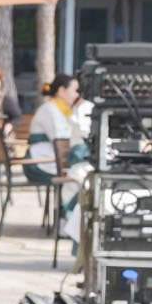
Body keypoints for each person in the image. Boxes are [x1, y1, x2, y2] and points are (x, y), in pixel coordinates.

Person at [25, 75, 91, 234]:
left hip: (54, 159)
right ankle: (66, 221)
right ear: (61, 90)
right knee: (77, 176)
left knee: (80, 173)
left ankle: (70, 221)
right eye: (75, 90)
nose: (77, 95)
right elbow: (62, 137)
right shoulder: (50, 109)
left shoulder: (65, 109)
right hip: (40, 162)